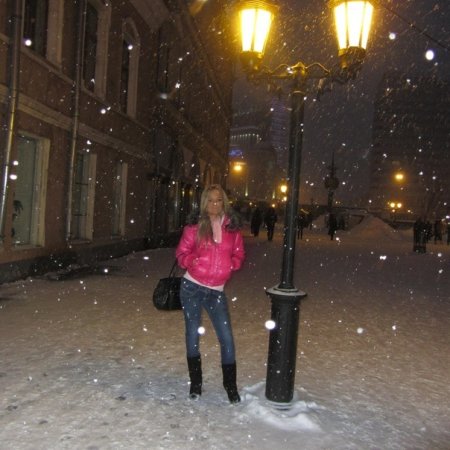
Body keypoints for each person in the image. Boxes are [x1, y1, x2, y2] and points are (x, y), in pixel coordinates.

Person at [175, 184, 245, 404]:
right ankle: (196, 384)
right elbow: (181, 254)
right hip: (192, 287)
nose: (215, 205)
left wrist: (232, 264)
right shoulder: (194, 227)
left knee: (226, 338)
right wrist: (191, 260)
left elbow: (239, 253)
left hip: (216, 291)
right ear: (205, 202)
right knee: (192, 335)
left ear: (224, 202)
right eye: (211, 200)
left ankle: (230, 386)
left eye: (219, 200)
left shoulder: (232, 229)